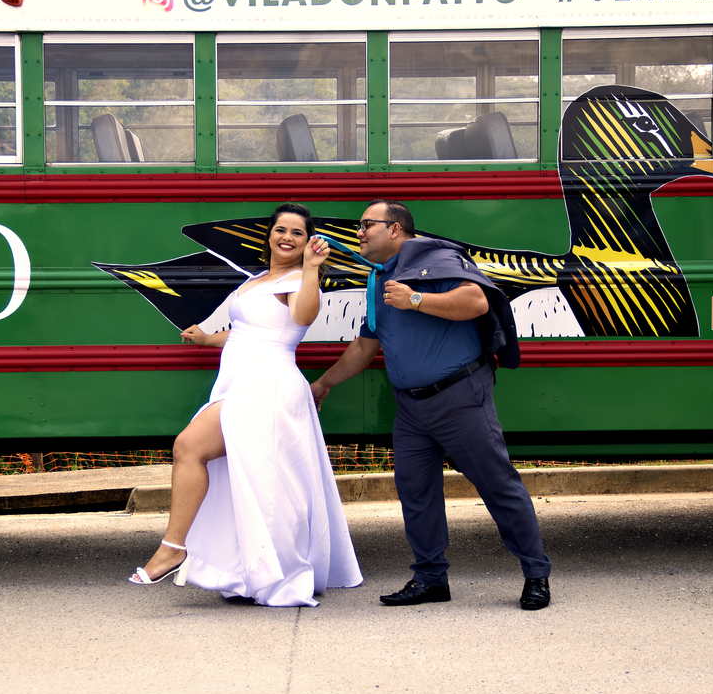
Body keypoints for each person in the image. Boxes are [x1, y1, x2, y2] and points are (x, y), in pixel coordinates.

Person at [310, 199, 552, 610]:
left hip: (460, 398)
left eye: (368, 224)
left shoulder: (436, 259)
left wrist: (417, 300)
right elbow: (365, 344)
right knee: (415, 492)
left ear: (396, 229)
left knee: (497, 485)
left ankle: (536, 574)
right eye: (359, 225)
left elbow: (476, 302)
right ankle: (430, 578)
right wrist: (323, 383)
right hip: (411, 408)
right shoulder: (377, 279)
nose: (360, 231)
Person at [129, 203, 363, 606]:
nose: (287, 238)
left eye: (297, 233)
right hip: (240, 382)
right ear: (269, 235)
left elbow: (304, 317)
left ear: (308, 242)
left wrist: (310, 269)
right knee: (256, 481)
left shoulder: (296, 279)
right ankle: (249, 573)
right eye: (281, 230)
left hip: (267, 384)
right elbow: (245, 331)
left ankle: (174, 547)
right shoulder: (258, 279)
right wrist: (206, 338)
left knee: (189, 447)